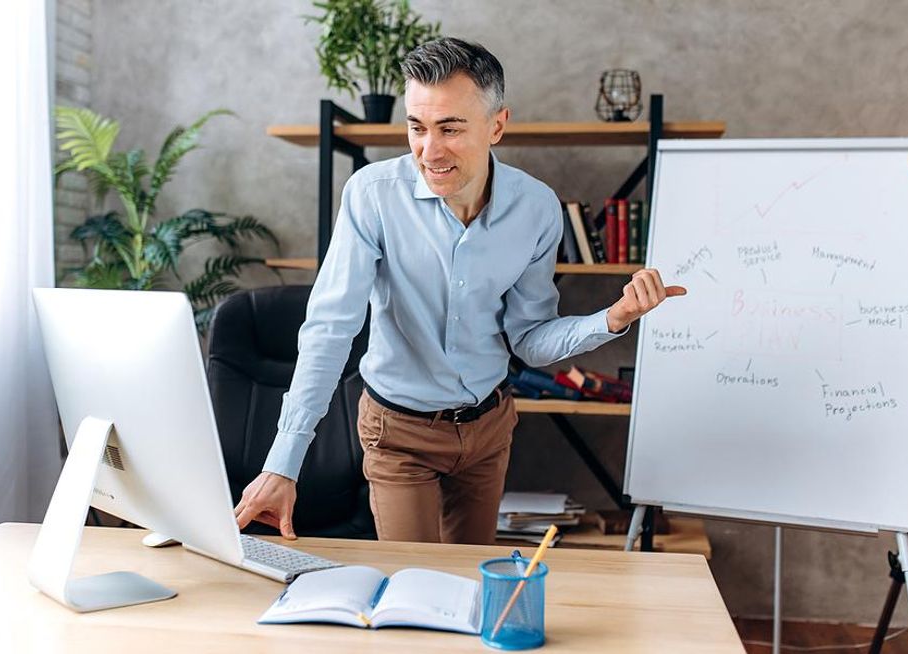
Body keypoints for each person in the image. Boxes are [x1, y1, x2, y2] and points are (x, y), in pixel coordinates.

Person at [235, 37, 686, 545]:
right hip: (398, 431)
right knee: (417, 585)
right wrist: (284, 463)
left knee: (471, 585)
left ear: (497, 125)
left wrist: (612, 318)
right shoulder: (372, 195)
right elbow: (329, 329)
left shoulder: (536, 209)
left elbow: (530, 338)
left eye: (450, 128)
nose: (430, 150)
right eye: (417, 128)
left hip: (488, 429)